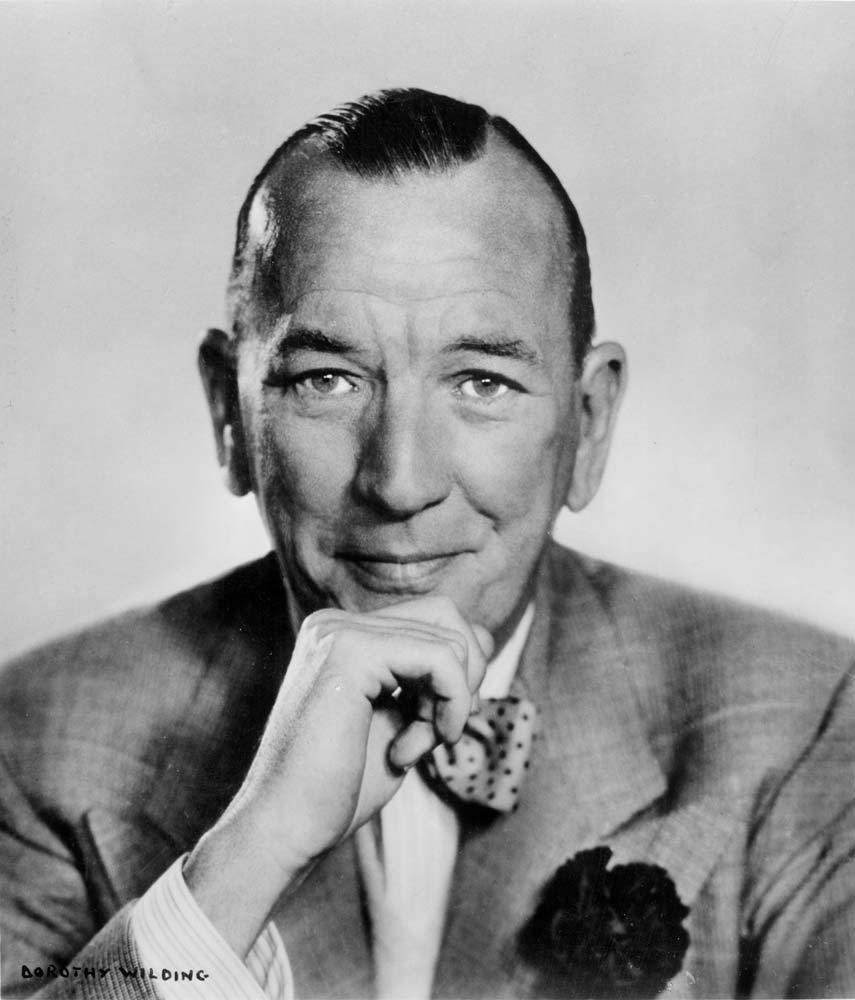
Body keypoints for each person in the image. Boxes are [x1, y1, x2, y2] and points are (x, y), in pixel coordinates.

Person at [1, 88, 853, 1000]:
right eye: (326, 379)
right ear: (229, 415)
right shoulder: (40, 737)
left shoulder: (800, 720)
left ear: (589, 423)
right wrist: (251, 850)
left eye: (481, 382)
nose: (400, 482)